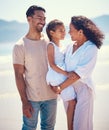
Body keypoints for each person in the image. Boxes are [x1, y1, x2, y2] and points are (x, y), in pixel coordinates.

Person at [51, 16, 104, 130]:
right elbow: (60, 62)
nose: (68, 32)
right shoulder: (70, 47)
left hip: (83, 89)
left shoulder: (90, 48)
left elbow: (78, 74)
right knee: (71, 126)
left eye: (70, 29)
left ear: (80, 31)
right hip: (68, 90)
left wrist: (60, 87)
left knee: (81, 126)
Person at [12, 5, 57, 130]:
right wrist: (24, 102)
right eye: (39, 18)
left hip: (51, 96)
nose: (43, 21)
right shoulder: (20, 46)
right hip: (32, 98)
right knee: (29, 127)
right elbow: (18, 75)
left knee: (49, 128)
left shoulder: (50, 42)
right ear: (29, 19)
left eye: (44, 18)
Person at [46, 19, 76, 130]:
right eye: (61, 31)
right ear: (52, 33)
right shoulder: (51, 45)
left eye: (64, 30)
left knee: (72, 102)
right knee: (72, 102)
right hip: (56, 75)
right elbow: (52, 65)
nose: (64, 33)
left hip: (61, 74)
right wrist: (67, 73)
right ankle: (70, 128)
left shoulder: (62, 45)